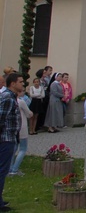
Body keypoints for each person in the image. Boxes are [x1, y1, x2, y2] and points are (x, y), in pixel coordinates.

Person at [0, 73, 23, 210]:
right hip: (5, 139)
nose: (22, 84)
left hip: (9, 138)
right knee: (2, 171)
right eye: (20, 82)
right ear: (13, 84)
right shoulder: (8, 97)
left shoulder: (10, 97)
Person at [9, 90, 31, 177]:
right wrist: (31, 113)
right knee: (23, 148)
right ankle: (14, 169)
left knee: (13, 149)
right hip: (22, 127)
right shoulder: (21, 102)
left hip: (13, 128)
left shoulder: (10, 101)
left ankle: (9, 168)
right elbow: (28, 113)